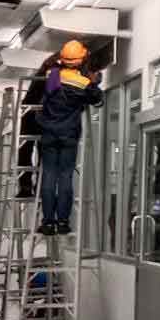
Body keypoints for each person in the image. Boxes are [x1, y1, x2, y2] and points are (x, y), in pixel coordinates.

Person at [35, 40, 104, 236]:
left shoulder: (52, 75)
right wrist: (93, 81)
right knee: (65, 176)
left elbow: (51, 89)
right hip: (69, 134)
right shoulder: (83, 83)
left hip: (49, 133)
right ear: (81, 60)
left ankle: (48, 222)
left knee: (49, 175)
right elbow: (97, 99)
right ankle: (63, 222)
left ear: (63, 59)